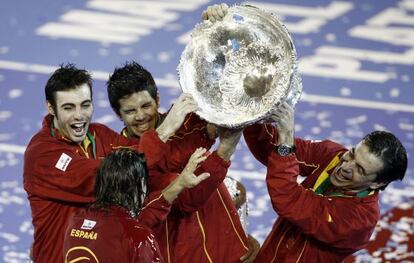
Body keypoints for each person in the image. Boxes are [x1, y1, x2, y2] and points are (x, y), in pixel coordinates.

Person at [23, 64, 197, 263]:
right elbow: (115, 172)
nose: (79, 115)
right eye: (68, 107)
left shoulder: (99, 135)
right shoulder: (43, 155)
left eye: (85, 105)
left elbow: (150, 158)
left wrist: (202, 133)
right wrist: (166, 129)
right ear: (50, 108)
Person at [107, 61, 260, 262]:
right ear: (118, 114)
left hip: (222, 242)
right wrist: (224, 150)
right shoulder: (120, 156)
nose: (141, 116)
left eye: (146, 105)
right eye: (130, 111)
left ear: (157, 99)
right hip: (177, 250)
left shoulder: (188, 120)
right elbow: (187, 200)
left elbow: (220, 116)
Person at [243, 101, 407, 262]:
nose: (345, 167)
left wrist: (286, 143)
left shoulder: (357, 220)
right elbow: (270, 147)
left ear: (377, 184)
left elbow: (288, 199)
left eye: (360, 169)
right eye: (352, 153)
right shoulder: (332, 156)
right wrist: (253, 112)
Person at [63, 147, 210, 263]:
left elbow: (119, 227)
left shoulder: (75, 220)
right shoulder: (138, 236)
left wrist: (180, 184)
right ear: (140, 185)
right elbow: (128, 229)